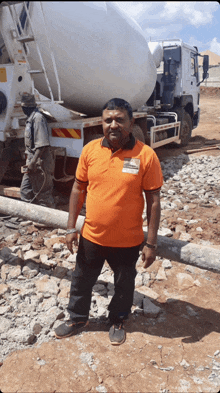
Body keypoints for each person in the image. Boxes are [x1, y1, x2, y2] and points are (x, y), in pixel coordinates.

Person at [54, 98, 163, 345]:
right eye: (108, 120)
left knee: (124, 286)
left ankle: (118, 319)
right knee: (81, 280)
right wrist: (71, 227)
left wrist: (151, 243)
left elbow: (154, 201)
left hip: (127, 240)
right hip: (92, 235)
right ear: (101, 123)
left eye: (119, 119)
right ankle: (77, 318)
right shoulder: (90, 150)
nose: (113, 125)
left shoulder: (145, 156)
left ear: (131, 122)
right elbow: (77, 189)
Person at [20, 92, 55, 208]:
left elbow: (42, 145)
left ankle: (49, 220)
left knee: (43, 193)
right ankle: (29, 217)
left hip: (40, 163)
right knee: (25, 191)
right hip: (32, 162)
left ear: (25, 107)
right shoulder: (31, 118)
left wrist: (33, 163)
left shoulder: (38, 119)